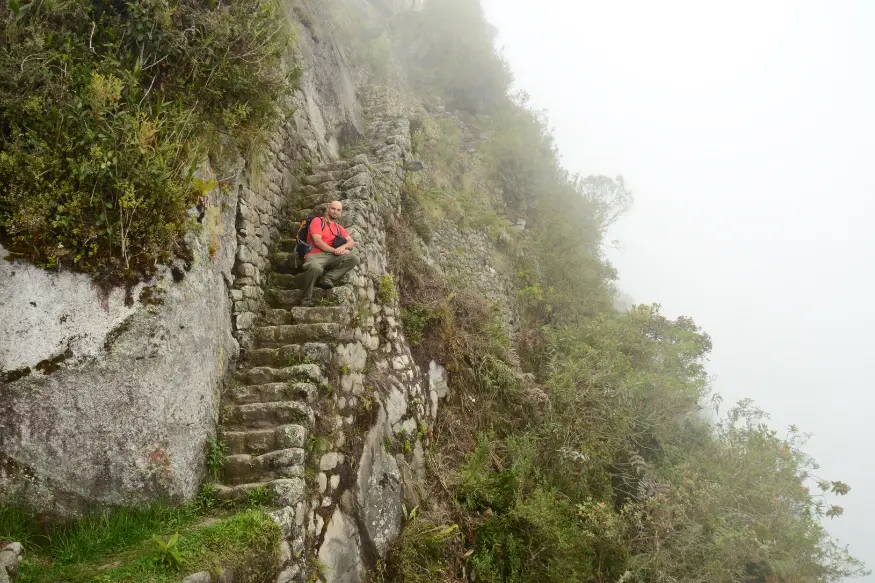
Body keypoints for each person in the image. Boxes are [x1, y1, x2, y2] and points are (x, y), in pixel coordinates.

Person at [299, 200, 359, 307]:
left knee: (353, 258)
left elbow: (351, 242)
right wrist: (335, 251)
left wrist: (342, 247)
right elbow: (317, 241)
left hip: (332, 256)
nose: (335, 212)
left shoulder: (338, 227)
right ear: (328, 209)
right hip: (315, 255)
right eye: (333, 208)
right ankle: (306, 299)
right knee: (315, 268)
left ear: (341, 213)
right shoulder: (318, 221)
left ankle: (327, 278)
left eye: (338, 210)